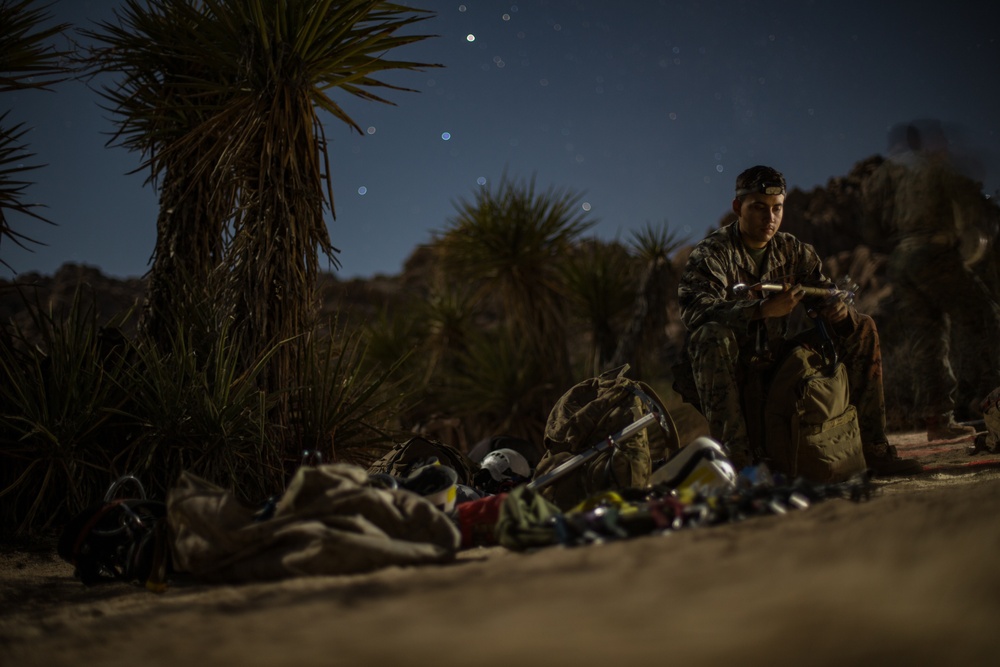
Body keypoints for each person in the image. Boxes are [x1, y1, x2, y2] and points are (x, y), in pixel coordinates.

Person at [676, 165, 920, 475]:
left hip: (777, 358)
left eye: (777, 208)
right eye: (758, 208)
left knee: (862, 327)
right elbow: (694, 310)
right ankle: (738, 464)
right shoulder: (713, 253)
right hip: (732, 364)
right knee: (709, 335)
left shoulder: (793, 250)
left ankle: (871, 448)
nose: (770, 218)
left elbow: (822, 291)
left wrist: (837, 311)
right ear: (738, 208)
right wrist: (761, 310)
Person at [862, 121, 1000, 440]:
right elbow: (968, 199)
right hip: (933, 252)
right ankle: (993, 402)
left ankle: (937, 420)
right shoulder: (932, 167)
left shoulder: (883, 176)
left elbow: (870, 224)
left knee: (926, 336)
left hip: (901, 260)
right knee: (981, 315)